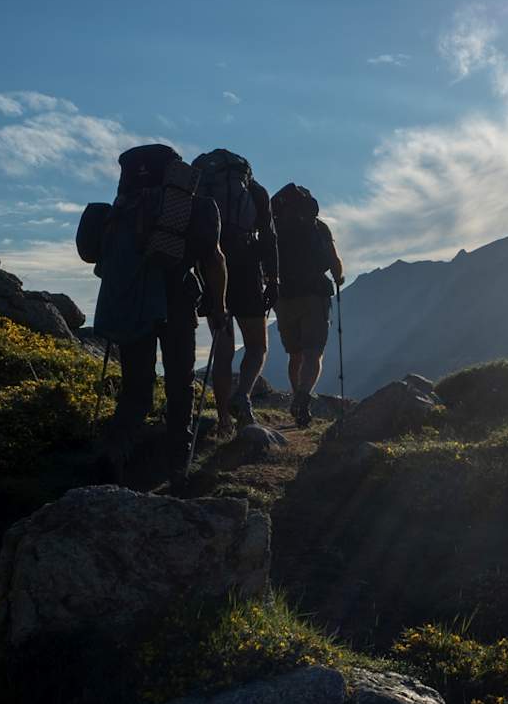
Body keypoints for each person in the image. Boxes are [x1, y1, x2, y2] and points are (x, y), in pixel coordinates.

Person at [87, 144, 227, 488]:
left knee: (136, 388)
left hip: (132, 303)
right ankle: (177, 465)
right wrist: (219, 305)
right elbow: (214, 260)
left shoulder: (122, 208)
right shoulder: (193, 207)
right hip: (178, 302)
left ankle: (115, 453)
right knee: (180, 383)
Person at [191, 149, 279, 433]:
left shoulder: (202, 189)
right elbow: (268, 235)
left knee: (223, 348)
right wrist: (273, 278)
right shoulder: (255, 190)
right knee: (257, 345)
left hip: (210, 264)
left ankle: (224, 421)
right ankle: (242, 397)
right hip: (246, 265)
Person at [270, 183, 344, 426]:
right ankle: (302, 397)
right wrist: (338, 276)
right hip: (314, 294)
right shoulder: (318, 227)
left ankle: (297, 398)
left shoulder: (276, 225)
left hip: (284, 296)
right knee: (313, 351)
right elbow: (334, 261)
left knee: (295, 354)